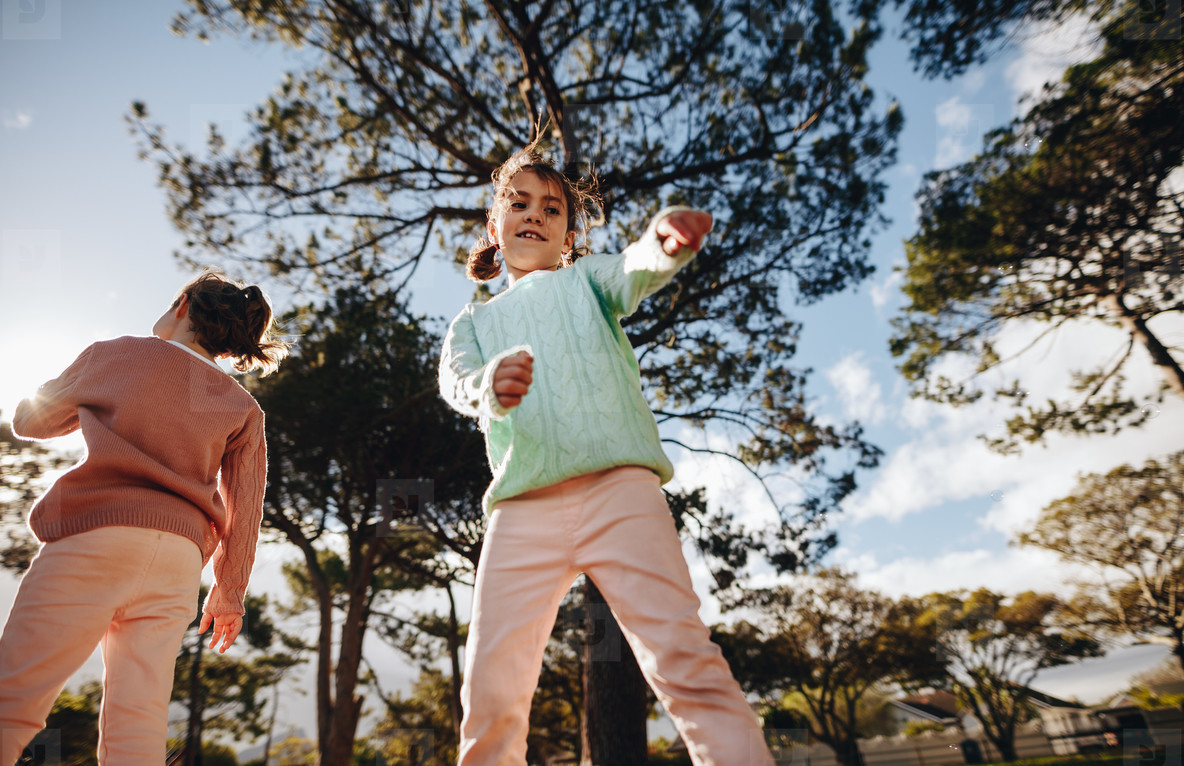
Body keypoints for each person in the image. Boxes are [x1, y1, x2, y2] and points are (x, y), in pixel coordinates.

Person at [439, 144, 776, 766]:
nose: (535, 215)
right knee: (491, 689)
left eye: (553, 208)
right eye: (520, 203)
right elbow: (458, 383)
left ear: (568, 233)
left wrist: (664, 238)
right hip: (522, 509)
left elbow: (635, 269)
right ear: (495, 224)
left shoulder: (588, 282)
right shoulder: (472, 324)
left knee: (683, 657)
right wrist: (491, 385)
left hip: (621, 493)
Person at [0, 270, 289, 766]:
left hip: (96, 535)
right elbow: (246, 506)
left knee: (14, 696)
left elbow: (31, 422)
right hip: (177, 563)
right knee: (138, 723)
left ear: (182, 307)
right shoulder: (244, 407)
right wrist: (229, 591)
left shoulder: (114, 353)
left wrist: (77, 389)